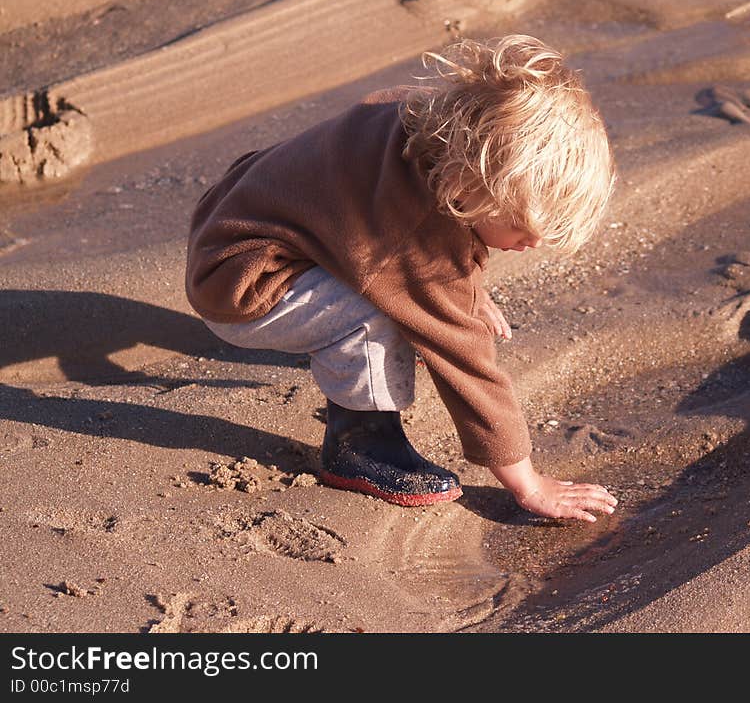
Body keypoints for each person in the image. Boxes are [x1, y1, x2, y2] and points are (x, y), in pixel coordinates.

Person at [185, 34, 618, 521]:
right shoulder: (414, 234)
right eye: (520, 227)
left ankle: (347, 346)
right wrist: (528, 482)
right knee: (384, 310)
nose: (532, 243)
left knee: (413, 285)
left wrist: (466, 285)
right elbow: (464, 357)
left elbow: (425, 233)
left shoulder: (428, 121)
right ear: (466, 185)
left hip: (234, 217)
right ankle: (361, 443)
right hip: (242, 281)